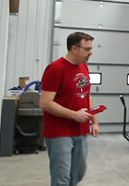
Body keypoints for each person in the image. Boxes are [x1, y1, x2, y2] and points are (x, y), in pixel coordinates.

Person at [40, 32, 99, 186]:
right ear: (74, 48)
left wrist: (94, 120)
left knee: (77, 173)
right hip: (59, 132)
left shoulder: (83, 67)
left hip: (80, 129)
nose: (90, 52)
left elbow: (86, 95)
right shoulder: (55, 69)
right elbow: (45, 103)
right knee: (62, 178)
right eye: (87, 49)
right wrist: (74, 115)